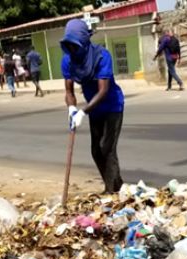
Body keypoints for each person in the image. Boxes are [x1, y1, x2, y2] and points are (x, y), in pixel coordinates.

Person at [61, 19, 124, 194]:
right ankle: (115, 185)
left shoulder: (102, 56)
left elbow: (103, 91)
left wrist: (83, 111)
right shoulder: (68, 61)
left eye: (76, 45)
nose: (73, 50)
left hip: (112, 106)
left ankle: (111, 191)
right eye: (69, 46)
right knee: (96, 150)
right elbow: (69, 91)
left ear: (84, 41)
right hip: (93, 109)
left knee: (107, 148)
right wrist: (72, 109)